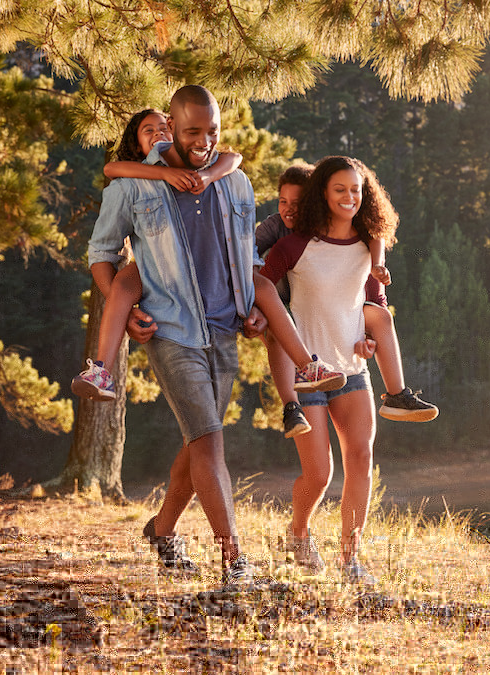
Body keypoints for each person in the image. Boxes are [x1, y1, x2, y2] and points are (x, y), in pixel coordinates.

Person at [85, 87, 341, 586]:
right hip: (171, 330)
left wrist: (252, 309)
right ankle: (235, 561)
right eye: (192, 132)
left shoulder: (236, 183)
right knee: (209, 441)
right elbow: (102, 251)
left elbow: (243, 257)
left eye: (212, 132)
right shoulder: (134, 185)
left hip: (224, 329)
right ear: (173, 129)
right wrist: (128, 304)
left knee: (197, 442)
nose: (203, 141)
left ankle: (162, 531)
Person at [73, 110, 345, 405]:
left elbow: (234, 158)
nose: (158, 134)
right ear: (137, 144)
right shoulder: (135, 177)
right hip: (159, 262)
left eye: (164, 128)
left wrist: (206, 174)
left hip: (212, 266)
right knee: (123, 285)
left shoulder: (200, 166)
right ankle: (100, 371)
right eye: (148, 130)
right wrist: (165, 173)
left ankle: (307, 366)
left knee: (264, 286)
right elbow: (112, 168)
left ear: (176, 133)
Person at [260, 156, 403, 584]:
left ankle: (350, 559)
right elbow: (262, 292)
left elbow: (372, 305)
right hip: (309, 375)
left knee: (361, 459)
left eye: (356, 190)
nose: (349, 197)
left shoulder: (366, 247)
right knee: (319, 473)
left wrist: (370, 340)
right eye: (340, 189)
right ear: (323, 192)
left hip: (353, 370)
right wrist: (255, 322)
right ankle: (298, 532)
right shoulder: (293, 246)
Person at [256, 165, 437, 436]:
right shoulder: (280, 233)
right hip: (288, 317)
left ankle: (397, 394)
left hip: (341, 353)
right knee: (278, 327)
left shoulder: (358, 241)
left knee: (380, 315)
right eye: (284, 202)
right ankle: (291, 407)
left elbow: (374, 294)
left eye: (298, 203)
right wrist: (251, 309)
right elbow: (247, 260)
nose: (290, 210)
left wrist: (367, 336)